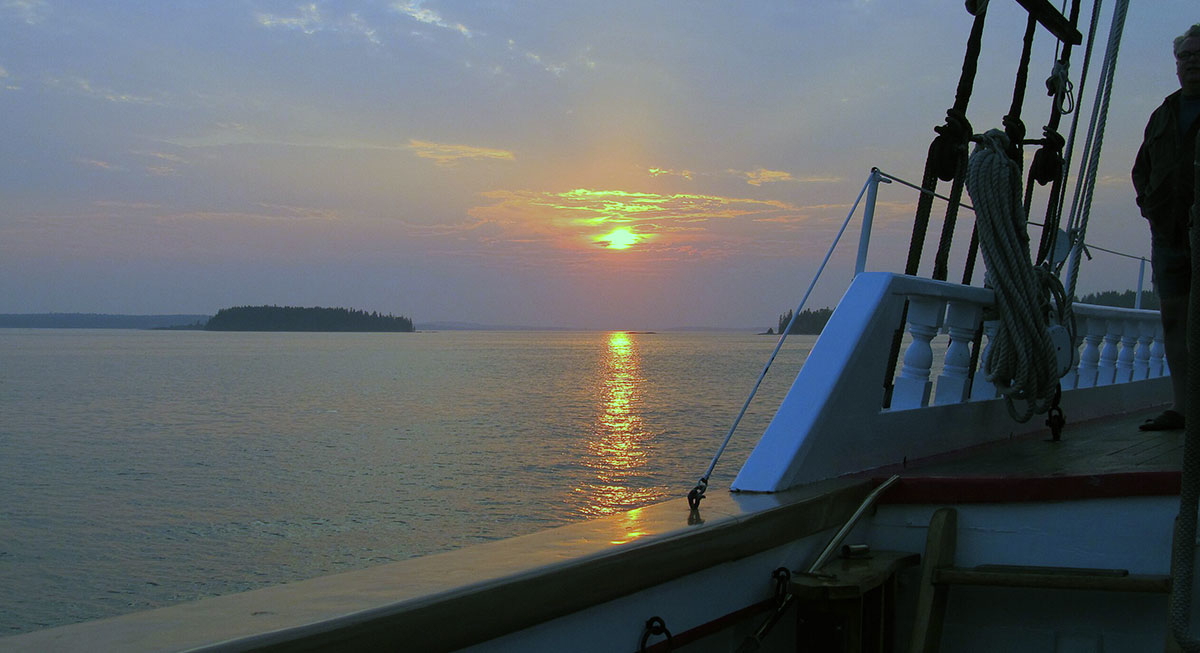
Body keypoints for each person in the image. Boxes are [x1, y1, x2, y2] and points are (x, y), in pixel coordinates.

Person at [1132, 23, 1200, 431]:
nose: (1192, 63)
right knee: (1175, 320)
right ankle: (1183, 409)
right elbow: (1142, 168)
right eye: (1185, 57)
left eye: (1198, 56)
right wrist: (1150, 206)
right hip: (1169, 234)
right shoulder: (1163, 114)